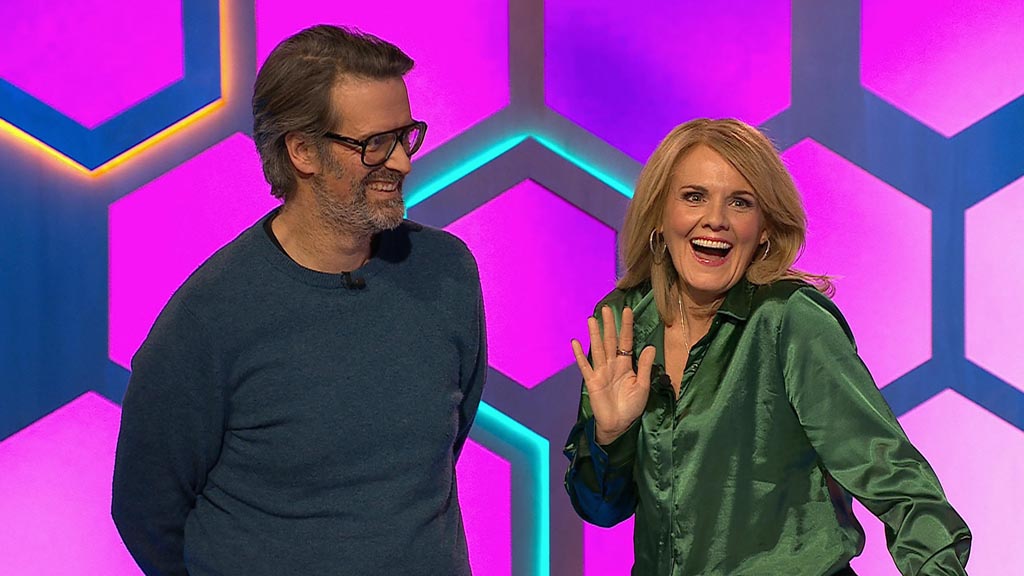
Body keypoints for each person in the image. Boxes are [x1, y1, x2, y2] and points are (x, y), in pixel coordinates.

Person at [112, 25, 486, 576]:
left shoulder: (447, 272)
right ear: (303, 150)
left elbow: (438, 453)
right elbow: (146, 510)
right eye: (374, 144)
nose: (402, 163)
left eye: (405, 136)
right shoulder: (209, 317)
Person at [563, 118, 970, 575]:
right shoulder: (625, 322)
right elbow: (600, 508)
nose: (715, 219)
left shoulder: (790, 320)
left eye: (740, 202)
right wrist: (610, 436)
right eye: (694, 196)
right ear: (659, 214)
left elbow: (894, 478)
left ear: (765, 229)